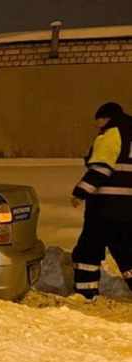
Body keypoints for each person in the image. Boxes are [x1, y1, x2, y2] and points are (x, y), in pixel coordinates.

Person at [71, 102, 132, 298]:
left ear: (107, 118)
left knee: (88, 249)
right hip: (128, 208)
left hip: (105, 206)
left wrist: (80, 192)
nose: (98, 126)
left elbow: (101, 169)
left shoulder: (112, 135)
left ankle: (86, 294)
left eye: (99, 121)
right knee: (126, 251)